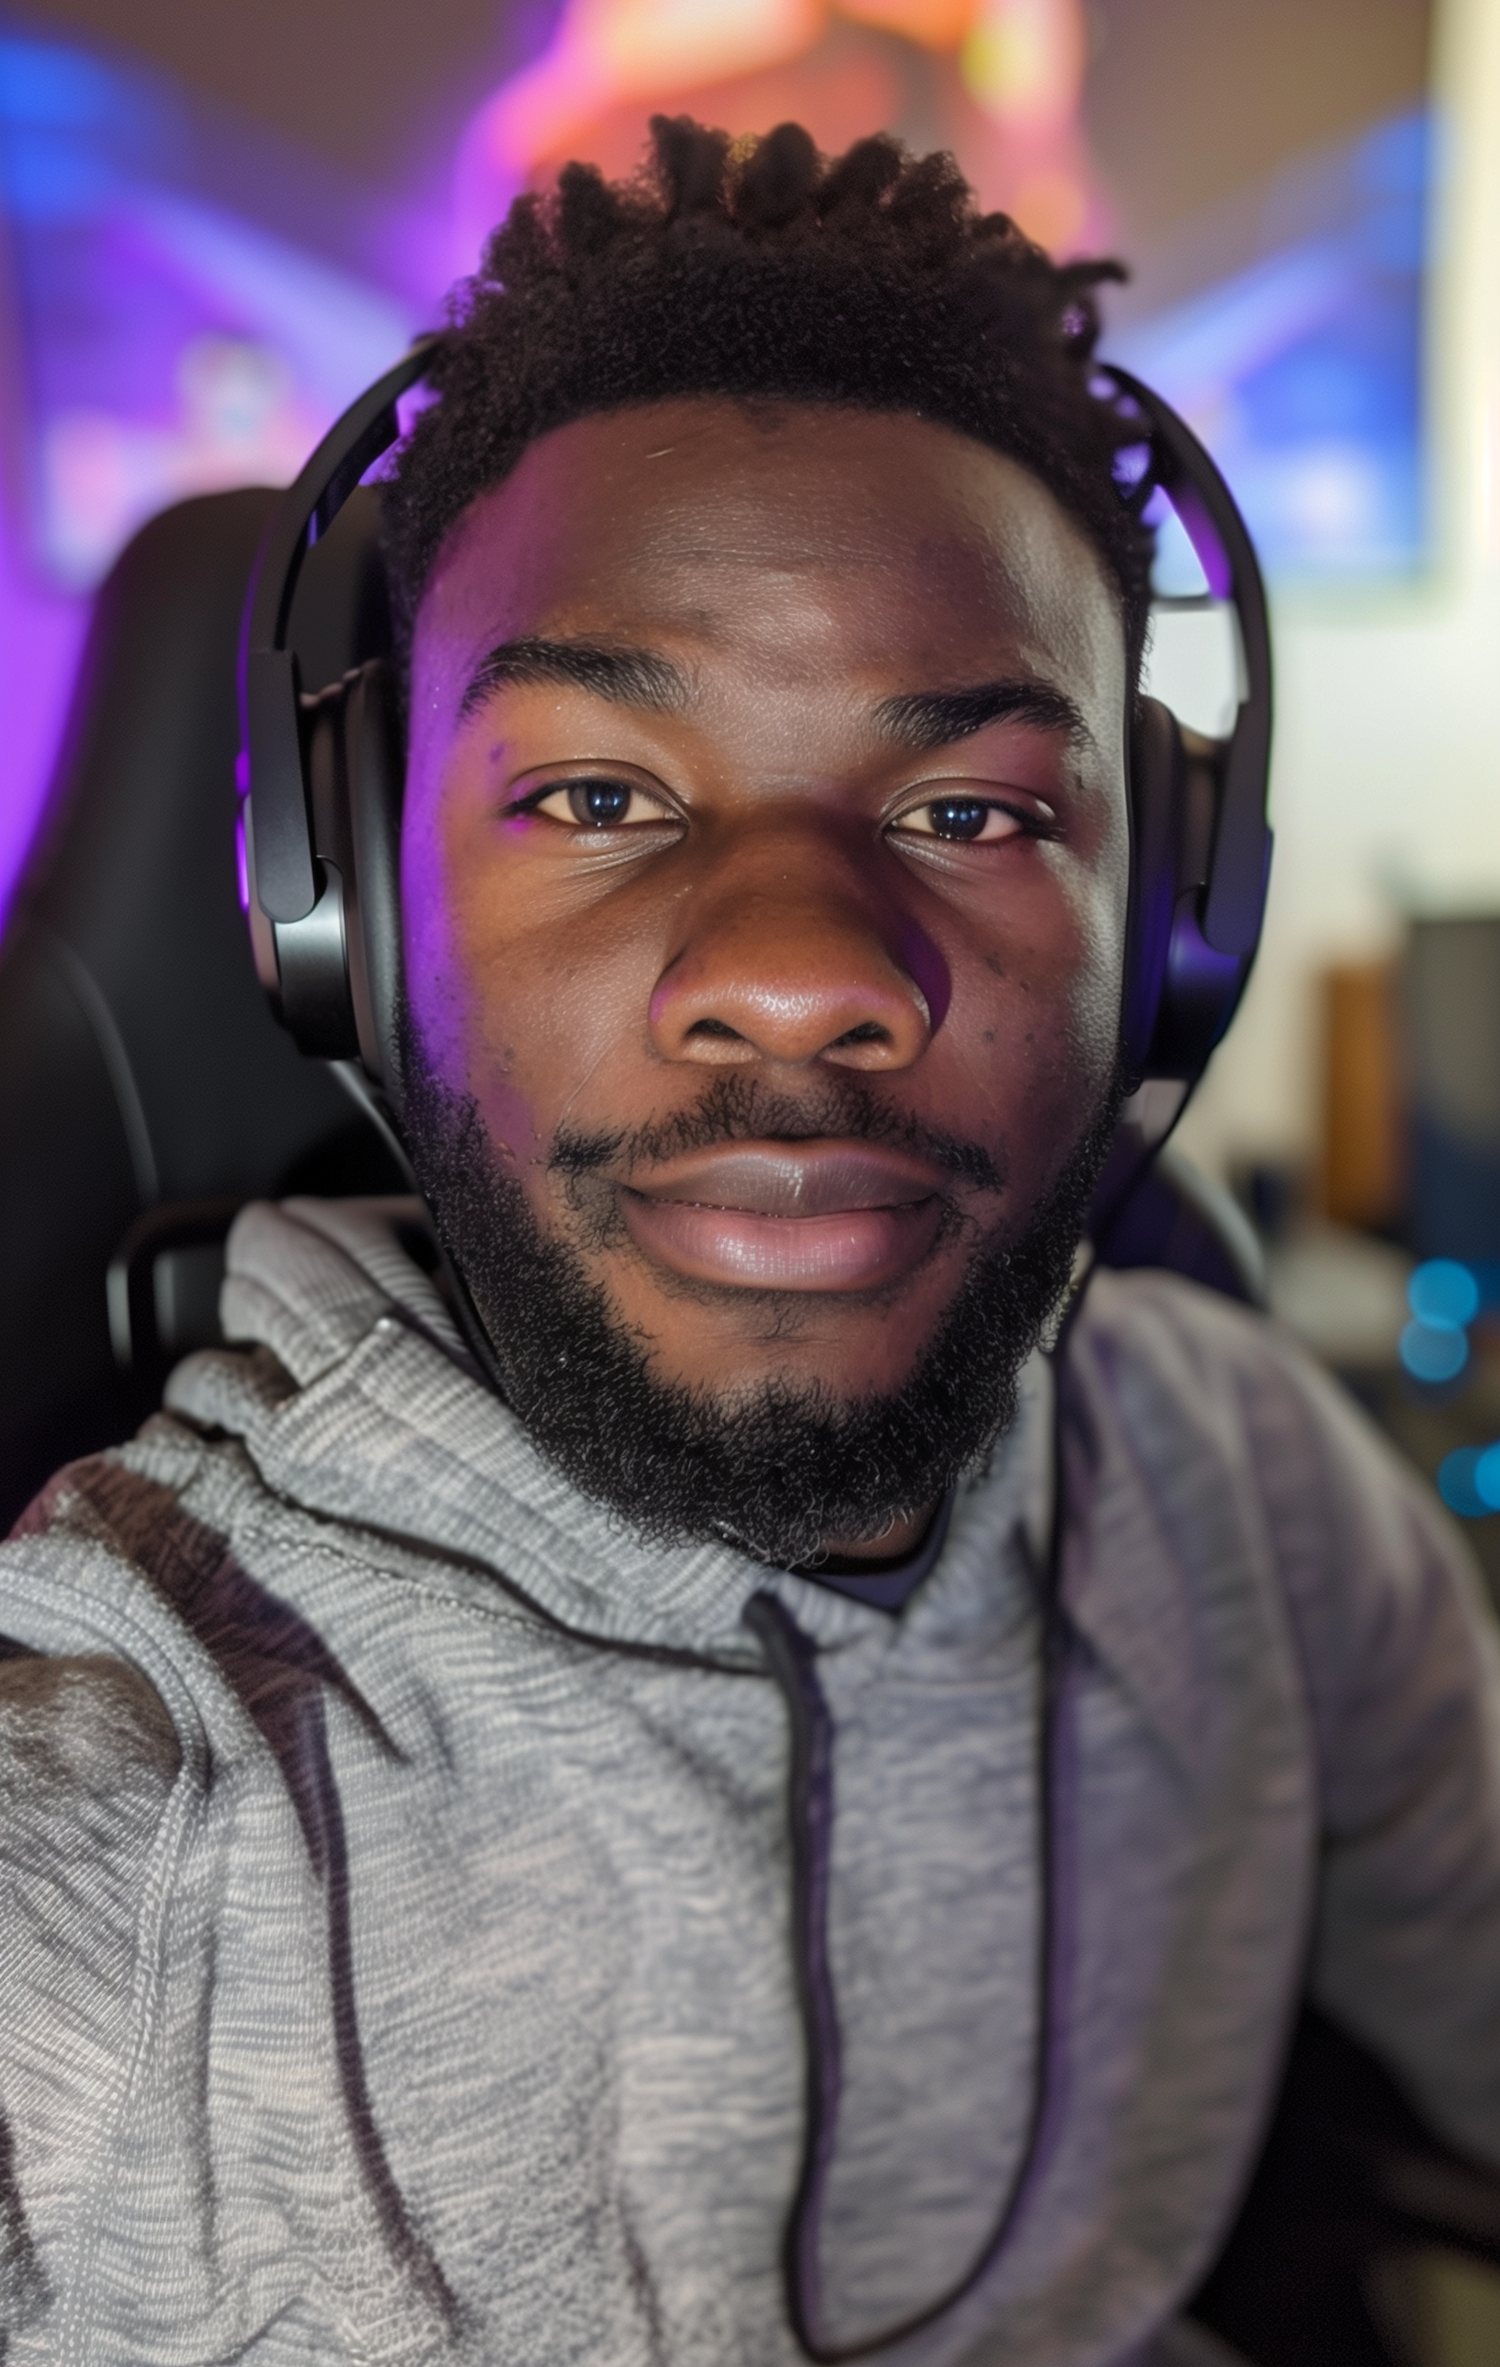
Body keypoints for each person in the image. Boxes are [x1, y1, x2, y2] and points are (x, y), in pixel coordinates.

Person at [2, 117, 1498, 2367]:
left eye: (974, 810)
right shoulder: (129, 1785)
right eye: (598, 796)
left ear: (1169, 942)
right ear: (349, 920)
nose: (801, 969)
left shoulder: (1253, 1495)